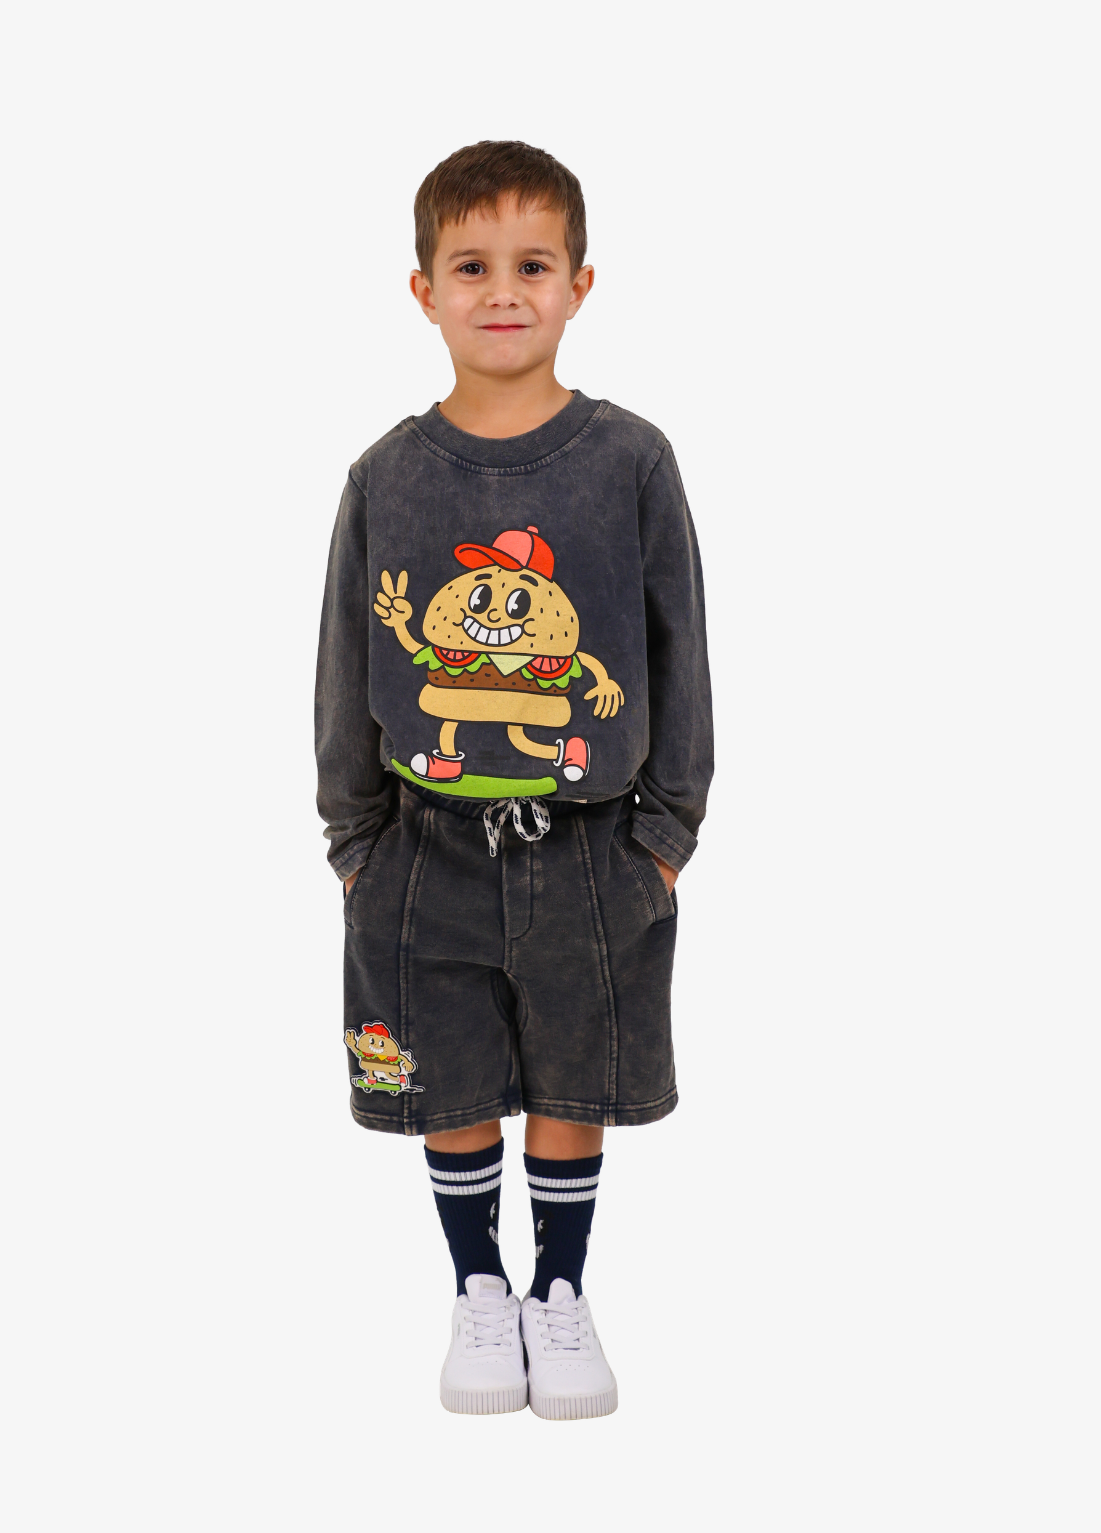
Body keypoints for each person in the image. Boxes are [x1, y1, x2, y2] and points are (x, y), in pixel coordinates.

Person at [314, 140, 713, 1419]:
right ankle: (477, 1287)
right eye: (471, 265)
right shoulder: (385, 476)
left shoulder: (629, 460)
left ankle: (560, 1290)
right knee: (448, 1078)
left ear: (579, 285)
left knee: (574, 1077)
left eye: (532, 265)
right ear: (423, 290)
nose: (502, 291)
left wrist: (665, 835)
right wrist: (356, 844)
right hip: (421, 848)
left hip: (593, 850)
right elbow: (343, 663)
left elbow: (679, 650)